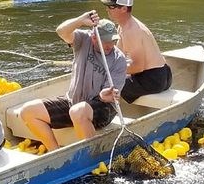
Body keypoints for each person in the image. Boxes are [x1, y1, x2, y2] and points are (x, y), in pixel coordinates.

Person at [19, 13, 127, 151]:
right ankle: (55, 153)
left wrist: (104, 95)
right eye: (106, 41)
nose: (110, 45)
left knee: (78, 111)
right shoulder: (83, 40)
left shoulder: (119, 60)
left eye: (113, 41)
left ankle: (91, 155)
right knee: (28, 111)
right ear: (93, 37)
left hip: (103, 107)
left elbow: (108, 95)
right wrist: (80, 20)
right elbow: (61, 31)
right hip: (73, 101)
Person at [100, 0, 172, 103]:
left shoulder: (132, 30)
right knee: (105, 77)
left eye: (111, 6)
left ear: (123, 9)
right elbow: (118, 55)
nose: (107, 9)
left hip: (153, 80)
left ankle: (99, 114)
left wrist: (111, 71)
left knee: (105, 85)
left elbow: (138, 67)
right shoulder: (124, 26)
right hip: (161, 75)